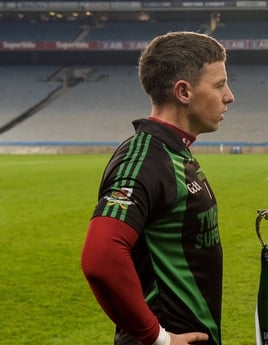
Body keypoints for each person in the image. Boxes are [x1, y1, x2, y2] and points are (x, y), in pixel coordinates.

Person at [81, 31, 234, 345]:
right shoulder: (144, 159)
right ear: (184, 92)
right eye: (219, 85)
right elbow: (100, 256)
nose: (229, 95)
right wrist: (157, 338)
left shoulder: (174, 152)